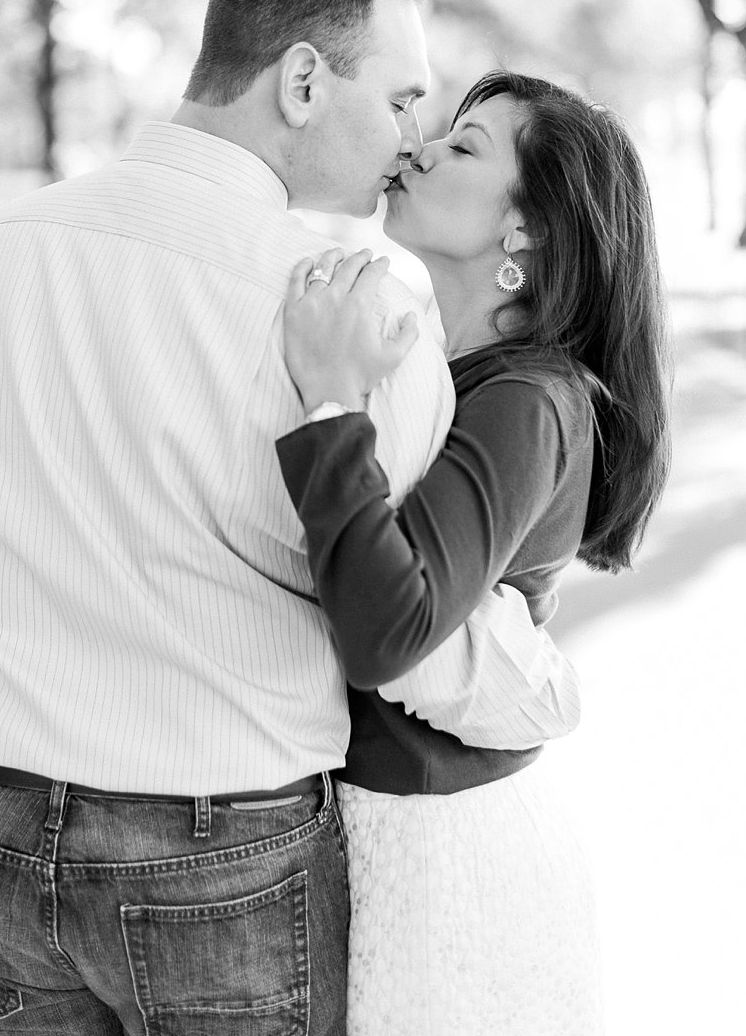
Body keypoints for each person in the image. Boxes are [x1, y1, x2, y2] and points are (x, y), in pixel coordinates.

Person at [0, 0, 581, 1035]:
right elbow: (406, 636)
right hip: (220, 859)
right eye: (397, 101)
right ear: (301, 81)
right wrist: (541, 689)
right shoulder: (352, 312)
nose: (404, 142)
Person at [275, 71, 671, 1033]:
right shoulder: (445, 377)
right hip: (385, 841)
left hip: (449, 872)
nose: (415, 149)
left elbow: (389, 632)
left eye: (463, 148)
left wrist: (330, 406)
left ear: (523, 229)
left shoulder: (530, 401)